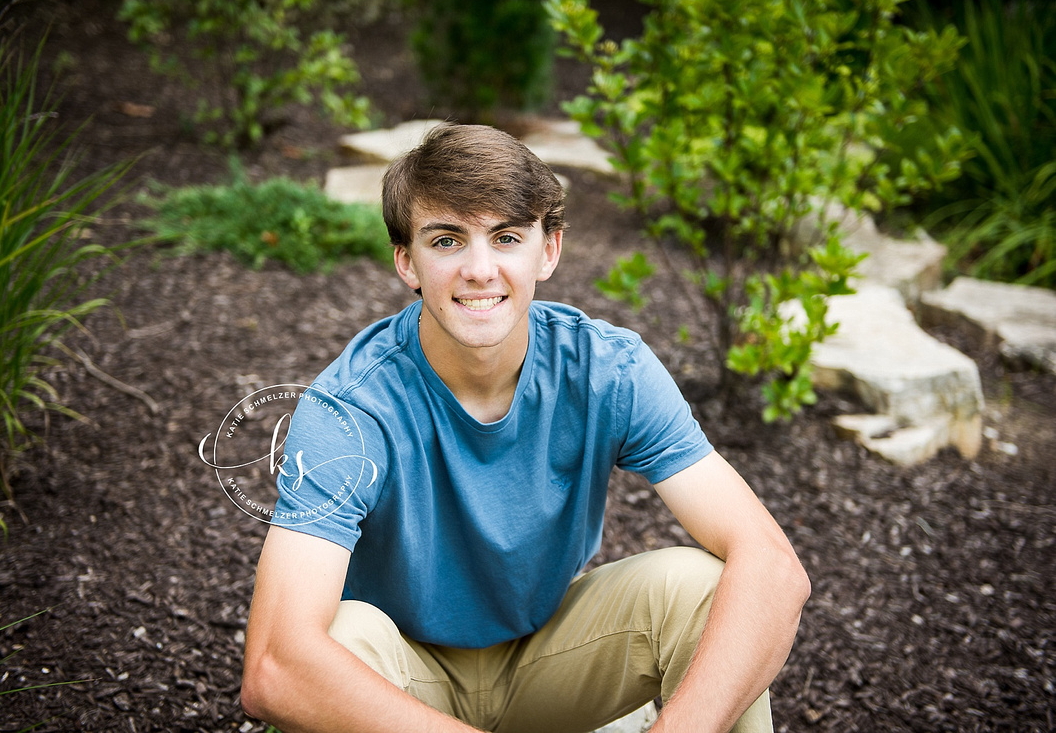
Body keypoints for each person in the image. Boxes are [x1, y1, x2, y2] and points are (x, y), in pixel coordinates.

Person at [240, 123, 810, 733]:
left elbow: (775, 568)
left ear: (549, 250)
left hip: (550, 659)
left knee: (710, 588)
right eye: (447, 240)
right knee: (341, 635)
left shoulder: (606, 370)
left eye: (506, 237)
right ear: (407, 261)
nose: (480, 270)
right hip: (401, 680)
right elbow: (275, 667)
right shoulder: (347, 413)